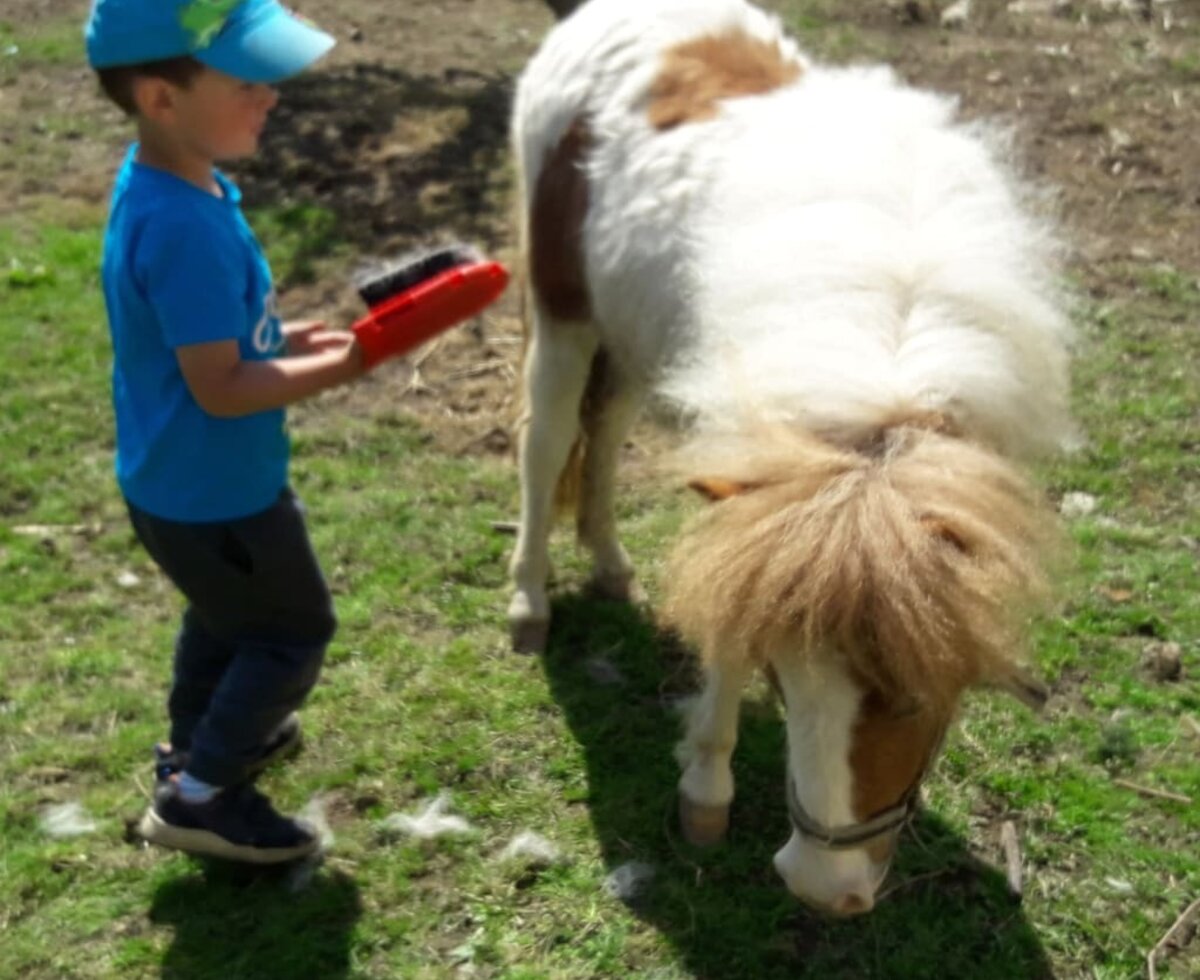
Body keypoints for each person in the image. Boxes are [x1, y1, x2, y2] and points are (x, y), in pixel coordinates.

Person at [85, 0, 361, 864]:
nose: (271, 95)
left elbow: (221, 344)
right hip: (220, 493)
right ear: (162, 98)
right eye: (247, 80)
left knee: (227, 615)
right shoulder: (180, 226)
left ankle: (199, 745)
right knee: (290, 630)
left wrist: (301, 341)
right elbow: (225, 387)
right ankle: (202, 796)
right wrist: (353, 365)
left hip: (184, 487)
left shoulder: (180, 186)